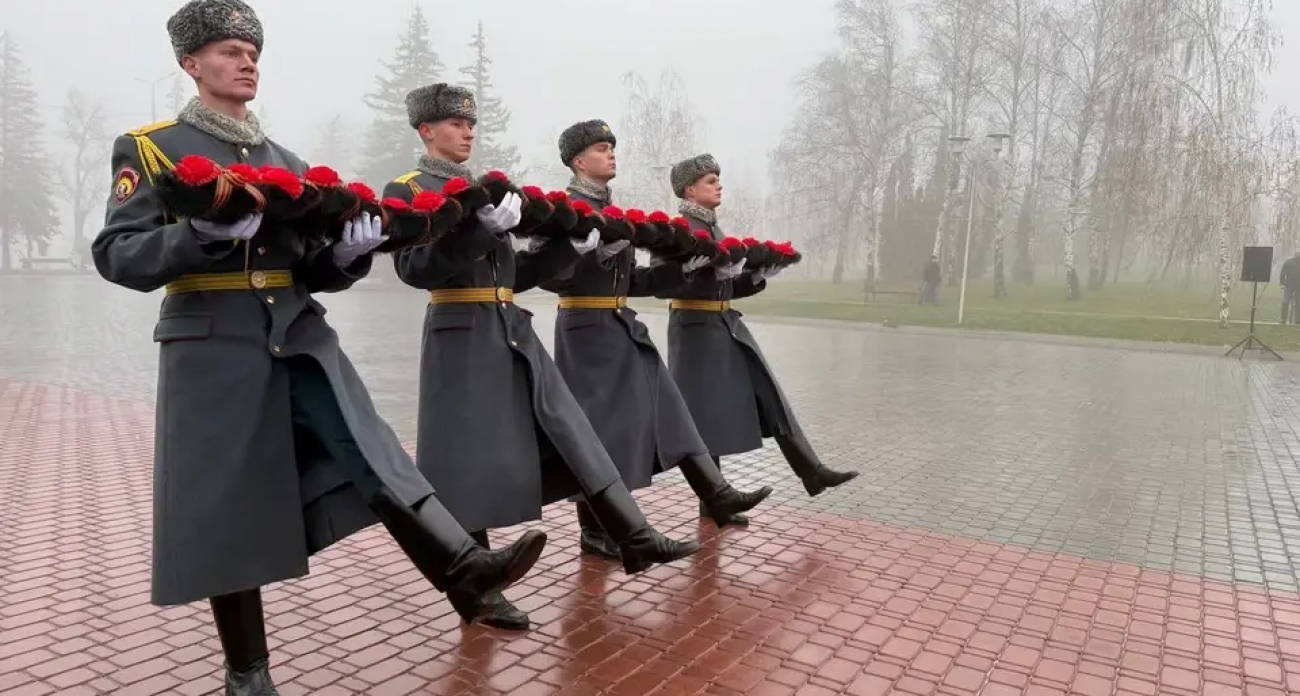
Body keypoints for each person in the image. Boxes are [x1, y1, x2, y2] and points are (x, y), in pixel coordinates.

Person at [91, 4, 546, 694]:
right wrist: (201, 237)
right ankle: (248, 672)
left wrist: (351, 253)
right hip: (211, 341)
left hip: (298, 331)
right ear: (191, 64)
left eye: (252, 50)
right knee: (227, 503)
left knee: (373, 450)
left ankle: (464, 566)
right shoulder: (150, 147)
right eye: (227, 51)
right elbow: (117, 254)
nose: (246, 61)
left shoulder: (286, 162)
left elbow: (312, 266)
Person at [387, 85, 701, 631]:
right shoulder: (409, 188)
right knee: (464, 459)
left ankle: (633, 535)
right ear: (426, 131)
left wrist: (567, 250)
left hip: (509, 324)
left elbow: (519, 276)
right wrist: (478, 233)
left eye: (470, 123)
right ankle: (478, 590)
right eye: (455, 123)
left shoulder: (487, 193)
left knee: (572, 427)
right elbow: (414, 271)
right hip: (460, 330)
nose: (467, 131)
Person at [545, 120, 773, 559]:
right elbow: (554, 278)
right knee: (594, 431)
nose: (611, 153)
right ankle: (595, 532)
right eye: (600, 148)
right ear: (578, 160)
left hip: (617, 324)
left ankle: (715, 494)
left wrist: (683, 270)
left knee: (666, 409)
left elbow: (635, 280)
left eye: (612, 146)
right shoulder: (566, 209)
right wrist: (579, 254)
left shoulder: (612, 211)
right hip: (585, 330)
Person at [659, 154, 860, 501]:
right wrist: (696, 273)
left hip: (724, 324)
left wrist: (755, 276)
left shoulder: (712, 227)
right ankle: (716, 502)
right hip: (694, 330)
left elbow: (726, 287)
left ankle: (811, 471)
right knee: (702, 416)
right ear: (689, 190)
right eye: (710, 180)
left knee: (771, 395)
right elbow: (663, 285)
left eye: (718, 178)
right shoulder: (677, 231)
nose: (719, 184)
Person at [1280, 250, 1300, 324]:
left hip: (1290, 285)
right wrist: (1282, 283)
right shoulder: (1288, 262)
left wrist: (1282, 283)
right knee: (1296, 303)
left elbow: (1282, 273)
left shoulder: (1288, 262)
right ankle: (1297, 320)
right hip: (1292, 286)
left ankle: (1283, 319)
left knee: (1286, 301)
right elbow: (1283, 273)